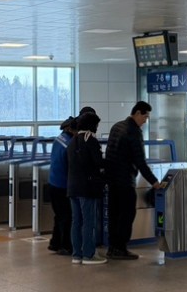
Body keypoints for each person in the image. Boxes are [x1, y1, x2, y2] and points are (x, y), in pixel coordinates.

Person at [104, 100, 159, 260]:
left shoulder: (116, 127)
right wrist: (154, 182)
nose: (145, 121)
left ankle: (112, 248)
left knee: (114, 214)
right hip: (125, 180)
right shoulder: (133, 132)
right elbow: (140, 161)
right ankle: (121, 248)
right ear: (138, 113)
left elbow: (109, 153)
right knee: (127, 215)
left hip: (112, 179)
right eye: (145, 117)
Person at [67, 111, 107, 265]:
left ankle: (76, 254)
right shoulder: (90, 140)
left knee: (76, 221)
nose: (97, 128)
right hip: (87, 188)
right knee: (88, 221)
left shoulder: (72, 141)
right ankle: (89, 255)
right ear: (92, 125)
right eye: (96, 125)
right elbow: (98, 162)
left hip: (72, 187)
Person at [47, 116, 74, 255]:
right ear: (70, 129)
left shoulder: (59, 139)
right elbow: (71, 166)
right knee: (67, 216)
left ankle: (55, 243)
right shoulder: (69, 144)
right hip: (62, 185)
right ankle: (66, 245)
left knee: (59, 215)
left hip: (53, 183)